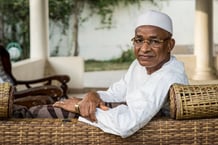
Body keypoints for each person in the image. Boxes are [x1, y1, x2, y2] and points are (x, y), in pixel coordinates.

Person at [28, 10, 189, 138]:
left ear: (170, 45)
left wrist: (79, 107)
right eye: (139, 40)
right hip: (127, 122)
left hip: (152, 136)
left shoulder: (169, 76)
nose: (144, 48)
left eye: (154, 41)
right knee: (51, 108)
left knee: (44, 114)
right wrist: (91, 96)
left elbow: (127, 124)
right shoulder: (138, 66)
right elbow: (115, 93)